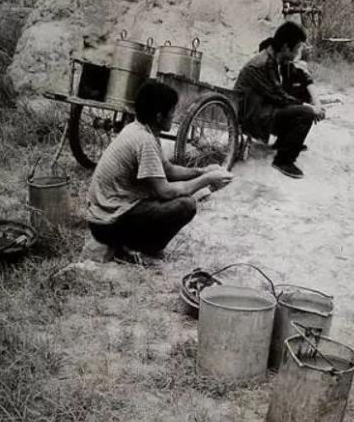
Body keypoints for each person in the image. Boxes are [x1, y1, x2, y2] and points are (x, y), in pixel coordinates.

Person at [86, 81, 234, 265]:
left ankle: (131, 245)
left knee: (178, 196)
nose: (174, 116)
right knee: (186, 204)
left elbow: (168, 169)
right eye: (172, 111)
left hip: (101, 219)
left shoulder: (138, 129)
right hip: (107, 225)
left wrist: (202, 171)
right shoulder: (145, 140)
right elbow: (165, 191)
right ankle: (141, 250)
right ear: (159, 116)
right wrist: (207, 179)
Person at [235, 22, 325, 179]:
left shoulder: (274, 60)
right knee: (305, 113)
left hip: (261, 109)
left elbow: (296, 84)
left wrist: (313, 104)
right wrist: (310, 108)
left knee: (298, 100)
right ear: (285, 47)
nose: (297, 53)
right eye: (297, 48)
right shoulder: (262, 64)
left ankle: (285, 143)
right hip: (252, 117)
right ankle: (283, 161)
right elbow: (279, 97)